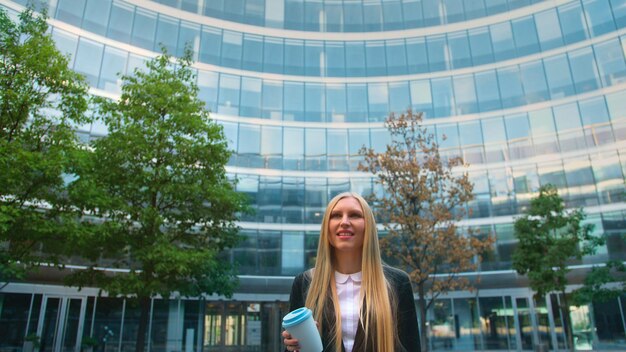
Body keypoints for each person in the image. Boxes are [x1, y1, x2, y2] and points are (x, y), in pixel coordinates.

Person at [282, 192, 420, 352]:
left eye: (354, 215)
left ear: (368, 226)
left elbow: (412, 347)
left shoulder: (397, 282)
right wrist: (294, 347)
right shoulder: (305, 282)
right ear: (327, 227)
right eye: (336, 215)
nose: (344, 222)